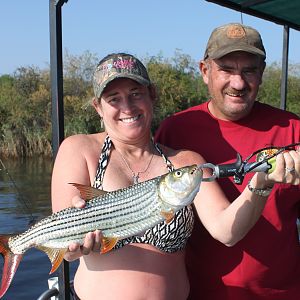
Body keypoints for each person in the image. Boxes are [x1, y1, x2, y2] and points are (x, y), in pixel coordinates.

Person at [51, 52, 300, 300]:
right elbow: (64, 246)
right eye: (113, 98)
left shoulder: (187, 162)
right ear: (98, 107)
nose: (126, 107)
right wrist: (74, 248)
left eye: (136, 94)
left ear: (152, 95)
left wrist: (261, 182)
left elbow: (226, 231)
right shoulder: (79, 149)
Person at [155, 23, 300, 300]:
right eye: (227, 70)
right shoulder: (175, 130)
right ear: (204, 71)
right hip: (199, 294)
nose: (238, 83)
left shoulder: (293, 129)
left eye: (249, 70)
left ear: (262, 73)